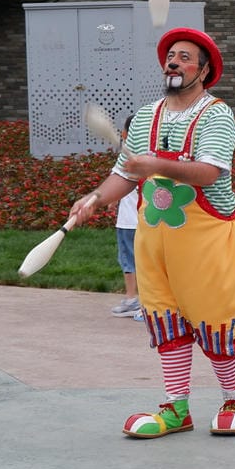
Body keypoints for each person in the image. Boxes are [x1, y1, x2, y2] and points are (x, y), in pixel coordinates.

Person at [65, 27, 235, 439]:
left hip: (210, 243)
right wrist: (96, 199)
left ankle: (233, 400)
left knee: (215, 322)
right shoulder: (147, 115)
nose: (174, 62)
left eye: (185, 57)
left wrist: (151, 164)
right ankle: (176, 409)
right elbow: (123, 174)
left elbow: (208, 173)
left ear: (204, 70)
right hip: (155, 242)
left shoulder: (216, 115)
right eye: (171, 55)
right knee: (167, 324)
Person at [110, 113, 142, 318]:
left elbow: (118, 183)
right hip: (148, 222)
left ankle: (135, 301)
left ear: (124, 134)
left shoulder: (132, 158)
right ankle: (138, 302)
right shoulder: (149, 155)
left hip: (131, 222)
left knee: (130, 261)